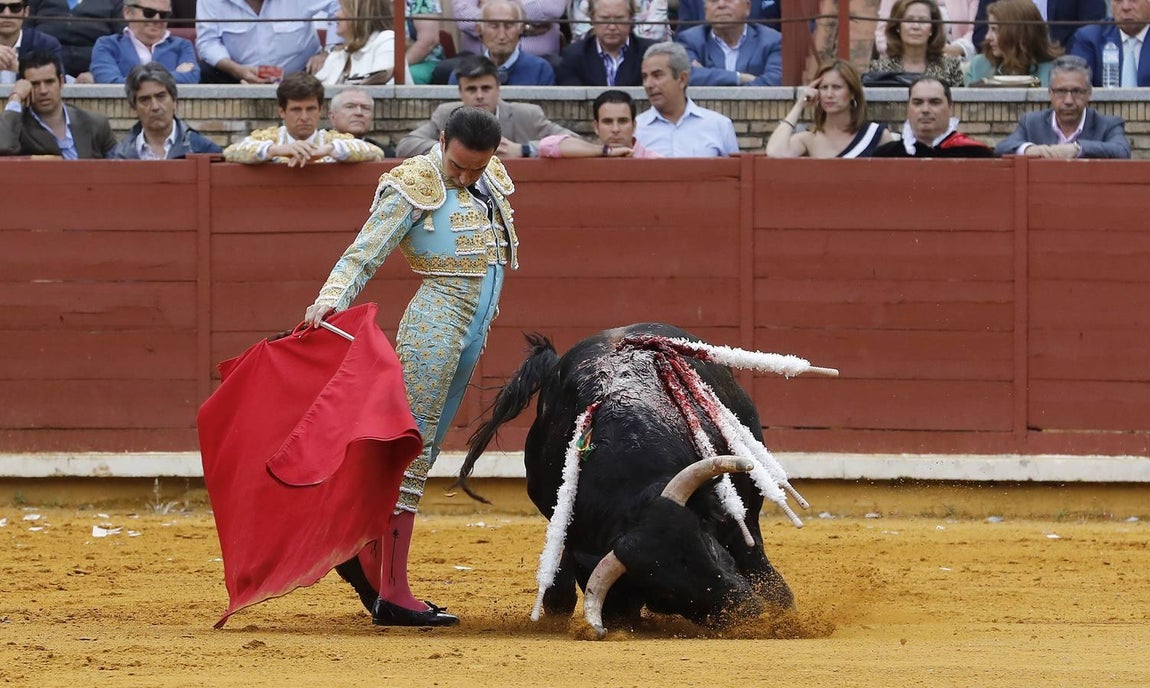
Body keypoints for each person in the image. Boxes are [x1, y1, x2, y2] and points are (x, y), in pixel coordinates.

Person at [302, 106, 516, 627]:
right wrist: (329, 299)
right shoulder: (412, 182)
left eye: (477, 168)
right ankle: (393, 591)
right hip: (434, 328)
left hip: (472, 329)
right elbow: (364, 253)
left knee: (423, 448)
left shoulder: (489, 177)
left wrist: (477, 176)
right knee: (410, 455)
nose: (465, 177)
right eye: (458, 165)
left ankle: (374, 568)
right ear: (442, 140)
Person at [397, 55, 573, 159]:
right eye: (471, 89)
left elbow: (573, 141)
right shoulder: (446, 114)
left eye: (486, 88)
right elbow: (405, 145)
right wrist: (454, 149)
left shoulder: (527, 115)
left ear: (498, 89)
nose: (479, 95)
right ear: (460, 93)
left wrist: (524, 149)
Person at [223, 71, 383, 165]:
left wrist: (326, 150)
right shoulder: (270, 139)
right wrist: (276, 150)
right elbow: (230, 152)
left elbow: (376, 152)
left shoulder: (331, 141)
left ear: (320, 110)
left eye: (311, 109)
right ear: (282, 112)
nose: (304, 117)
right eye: (296, 110)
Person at [994, 55, 1130, 158]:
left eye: (1076, 91)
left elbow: (1122, 151)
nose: (1069, 100)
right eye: (1061, 91)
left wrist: (1078, 149)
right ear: (1049, 93)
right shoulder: (1031, 123)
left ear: (1089, 93)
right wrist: (1029, 149)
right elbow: (1002, 148)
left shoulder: (1108, 125)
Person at [766, 60, 893, 159]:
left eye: (837, 87)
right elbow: (775, 152)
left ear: (852, 92)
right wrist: (799, 105)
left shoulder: (876, 135)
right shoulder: (809, 139)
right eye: (824, 87)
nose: (829, 94)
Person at [0, 49, 117, 156]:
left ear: (61, 82)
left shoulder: (95, 123)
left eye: (49, 82)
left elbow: (118, 166)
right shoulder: (18, 126)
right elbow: (3, 147)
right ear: (24, 86)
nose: (43, 91)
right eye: (35, 84)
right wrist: (15, 97)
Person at [195, 0, 338, 84]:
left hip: (303, 76)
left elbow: (341, 5)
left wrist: (328, 53)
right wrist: (236, 70)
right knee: (204, 70)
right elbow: (207, 42)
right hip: (237, 76)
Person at [634, 41, 738, 157]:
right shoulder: (636, 129)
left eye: (657, 75)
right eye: (644, 77)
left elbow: (736, 173)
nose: (648, 84)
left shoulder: (719, 125)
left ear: (682, 79)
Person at [109, 62, 219, 158]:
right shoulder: (118, 155)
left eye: (161, 96)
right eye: (145, 100)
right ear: (134, 107)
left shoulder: (204, 150)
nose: (155, 107)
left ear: (174, 100)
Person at [872, 76, 995, 157]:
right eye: (917, 102)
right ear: (908, 109)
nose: (925, 109)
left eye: (935, 102)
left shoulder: (977, 154)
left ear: (950, 108)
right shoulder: (885, 155)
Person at [674, 0, 783, 86]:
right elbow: (685, 76)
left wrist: (707, 76)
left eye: (729, 0)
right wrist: (739, 78)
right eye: (713, 0)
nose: (721, 5)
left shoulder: (771, 40)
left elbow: (774, 80)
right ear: (705, 10)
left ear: (747, 7)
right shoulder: (690, 40)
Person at [447, 0, 555, 85]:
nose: (502, 35)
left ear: (521, 29)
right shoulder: (462, 71)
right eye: (494, 26)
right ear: (479, 30)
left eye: (509, 26)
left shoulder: (540, 70)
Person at [89, 0, 199, 84]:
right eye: (149, 13)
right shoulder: (107, 45)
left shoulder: (182, 46)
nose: (157, 19)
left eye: (163, 15)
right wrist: (172, 77)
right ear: (128, 13)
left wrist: (129, 81)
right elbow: (109, 83)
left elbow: (191, 78)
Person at [556, 0, 655, 86]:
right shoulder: (573, 56)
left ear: (631, 19)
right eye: (604, 19)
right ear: (592, 19)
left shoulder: (650, 54)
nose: (612, 26)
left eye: (619, 18)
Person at [964, 0, 1063, 86]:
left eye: (995, 30)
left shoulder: (1055, 72)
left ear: (1018, 33)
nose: (987, 37)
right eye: (989, 29)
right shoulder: (978, 67)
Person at [539, 89, 661, 157]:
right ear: (596, 127)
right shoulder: (586, 152)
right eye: (608, 122)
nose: (615, 129)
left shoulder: (654, 160)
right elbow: (546, 146)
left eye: (622, 121)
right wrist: (605, 151)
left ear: (634, 126)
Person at [868, 0, 963, 87]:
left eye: (923, 20)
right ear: (898, 27)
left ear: (932, 29)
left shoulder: (950, 68)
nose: (916, 26)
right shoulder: (880, 69)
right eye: (909, 20)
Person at [26, 0, 123, 80]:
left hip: (95, 72)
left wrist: (98, 74)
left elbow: (121, 44)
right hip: (41, 73)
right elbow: (25, 34)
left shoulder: (114, 2)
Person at [973, 0, 1106, 57]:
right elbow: (980, 34)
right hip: (1007, 62)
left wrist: (1056, 57)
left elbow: (1092, 30)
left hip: (1061, 62)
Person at [314, 0, 402, 85]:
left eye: (342, 9)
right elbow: (315, 90)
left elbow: (385, 93)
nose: (336, 15)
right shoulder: (337, 54)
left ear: (359, 13)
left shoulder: (387, 40)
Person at [1071, 0, 1150, 87]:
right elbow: (1076, 87)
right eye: (1118, 1)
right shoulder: (1090, 38)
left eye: (1133, 0)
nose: (1125, 7)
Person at [453, 0, 565, 58]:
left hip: (541, 59)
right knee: (446, 70)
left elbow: (552, 8)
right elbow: (464, 18)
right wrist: (522, 27)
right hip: (478, 59)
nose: (502, 34)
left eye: (508, 26)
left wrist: (493, 8)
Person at [875, 0, 979, 60]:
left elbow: (976, 30)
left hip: (955, 59)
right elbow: (882, 33)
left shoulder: (951, 70)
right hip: (900, 60)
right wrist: (914, 52)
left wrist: (951, 49)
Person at [0, 0, 63, 85]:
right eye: (0, 8)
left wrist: (20, 69)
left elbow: (59, 85)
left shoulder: (46, 45)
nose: (7, 14)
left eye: (15, 8)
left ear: (26, 12)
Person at [566, 0, 669, 43]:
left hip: (648, 55)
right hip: (593, 54)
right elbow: (582, 33)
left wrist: (618, 41)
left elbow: (654, 33)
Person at [329, 86, 393, 154]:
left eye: (365, 108)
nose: (359, 112)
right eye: (350, 107)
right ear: (332, 116)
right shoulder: (319, 147)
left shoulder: (387, 154)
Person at [403, 0, 446, 84]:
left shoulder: (423, 1)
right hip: (383, 57)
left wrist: (395, 67)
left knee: (409, 76)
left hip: (424, 61)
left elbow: (428, 42)